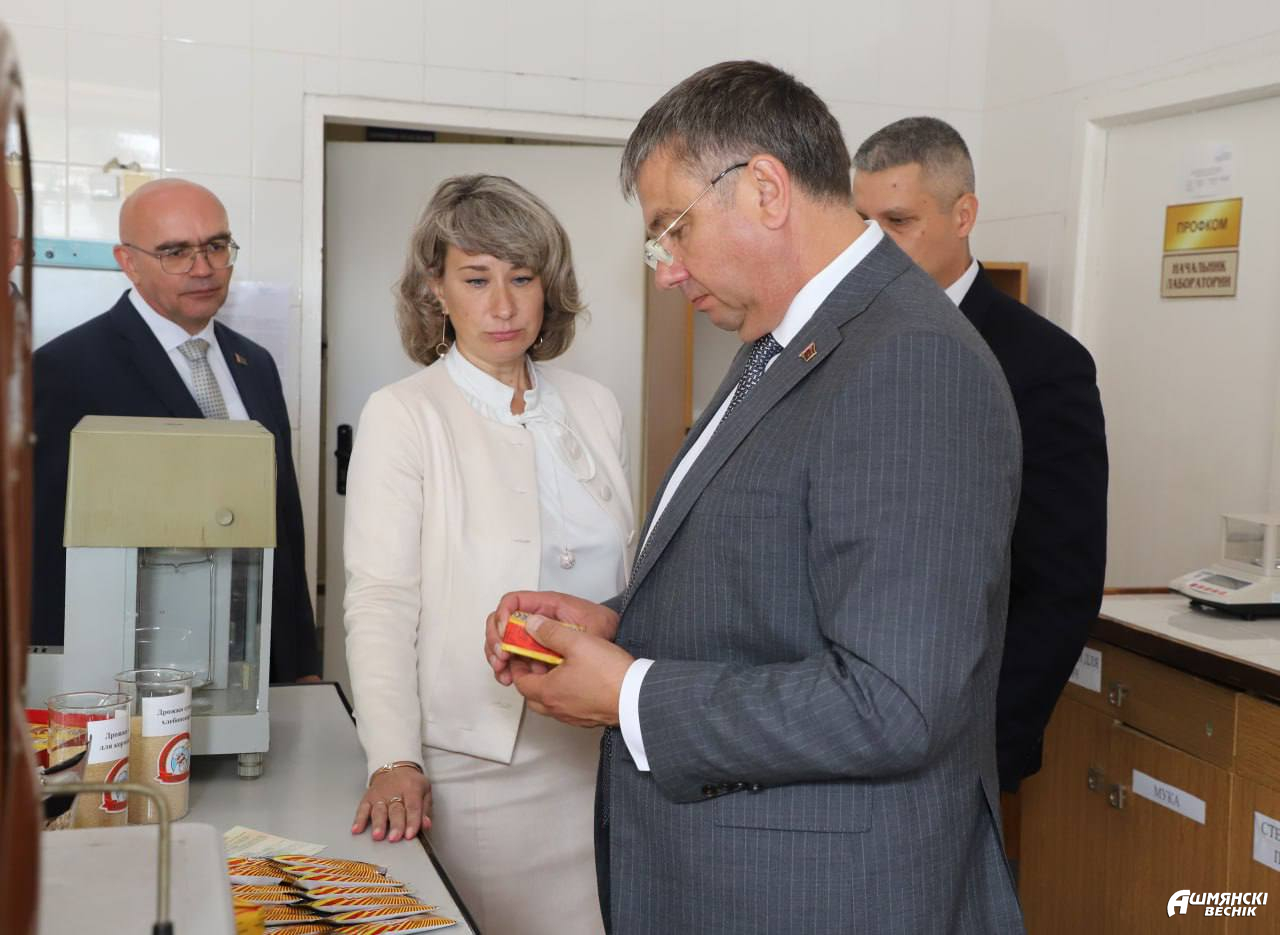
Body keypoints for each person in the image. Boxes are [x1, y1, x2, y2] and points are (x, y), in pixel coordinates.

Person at [485, 61, 1025, 933]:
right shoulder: (787, 341)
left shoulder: (908, 361)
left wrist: (630, 694)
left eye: (672, 230)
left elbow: (895, 701)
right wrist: (618, 625)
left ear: (766, 190)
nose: (665, 271)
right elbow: (775, 588)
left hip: (824, 896)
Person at [343, 174, 634, 935]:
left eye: (522, 277)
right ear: (435, 290)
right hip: (479, 764)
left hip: (601, 746)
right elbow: (381, 599)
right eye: (476, 279)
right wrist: (393, 758)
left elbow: (627, 577)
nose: (502, 305)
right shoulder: (405, 414)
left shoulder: (596, 406)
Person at [852, 116, 1108, 792]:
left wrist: (990, 750)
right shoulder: (841, 340)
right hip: (848, 722)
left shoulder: (1042, 363)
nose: (872, 245)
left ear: (962, 215)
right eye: (862, 223)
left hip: (964, 737)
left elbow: (1061, 581)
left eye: (898, 222)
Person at [32, 178, 320, 682]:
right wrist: (54, 681)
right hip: (127, 665)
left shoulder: (255, 364)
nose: (203, 268)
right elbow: (43, 544)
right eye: (175, 252)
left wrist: (301, 661)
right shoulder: (65, 370)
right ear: (128, 262)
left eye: (216, 246)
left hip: (252, 662)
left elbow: (284, 521)